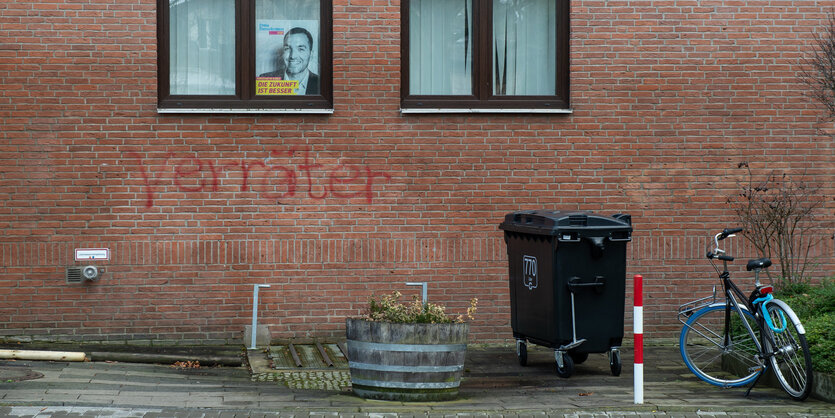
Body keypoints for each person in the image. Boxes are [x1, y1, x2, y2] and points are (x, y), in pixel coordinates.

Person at [259, 27, 320, 95]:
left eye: (301, 49)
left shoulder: (321, 83)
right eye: (287, 48)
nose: (293, 56)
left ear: (311, 55)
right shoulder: (265, 79)